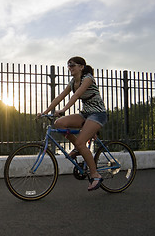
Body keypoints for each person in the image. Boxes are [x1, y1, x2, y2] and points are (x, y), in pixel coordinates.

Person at [38, 56, 107, 191]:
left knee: (81, 143)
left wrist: (63, 110)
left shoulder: (87, 79)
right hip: (85, 114)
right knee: (59, 123)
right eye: (68, 65)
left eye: (72, 65)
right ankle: (78, 147)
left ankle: (95, 175)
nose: (70, 68)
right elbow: (60, 97)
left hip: (98, 114)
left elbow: (75, 96)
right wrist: (44, 112)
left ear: (81, 67)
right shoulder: (72, 82)